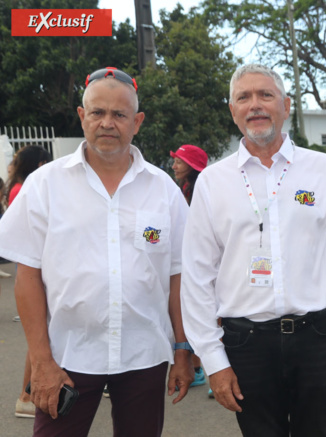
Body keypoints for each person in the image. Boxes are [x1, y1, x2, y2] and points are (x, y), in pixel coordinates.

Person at [0, 67, 194, 436]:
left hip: (144, 356)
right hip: (68, 356)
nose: (107, 123)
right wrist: (40, 360)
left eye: (119, 114)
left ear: (137, 121)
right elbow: (27, 278)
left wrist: (183, 348)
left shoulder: (164, 190)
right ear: (81, 116)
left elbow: (178, 276)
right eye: (97, 112)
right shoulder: (45, 185)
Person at [179, 64, 326, 436]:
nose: (255, 105)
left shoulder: (321, 169)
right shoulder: (213, 181)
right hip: (246, 343)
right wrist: (214, 360)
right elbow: (197, 274)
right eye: (243, 97)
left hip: (316, 336)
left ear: (286, 105)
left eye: (265, 95)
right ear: (232, 110)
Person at [3, 145, 53, 418]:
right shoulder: (27, 189)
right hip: (35, 268)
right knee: (40, 337)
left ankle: (27, 395)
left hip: (34, 266)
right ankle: (26, 395)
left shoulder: (19, 186)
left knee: (41, 335)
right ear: (40, 163)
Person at [169, 144, 210, 391]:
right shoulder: (183, 190)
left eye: (179, 162)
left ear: (193, 166)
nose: (174, 166)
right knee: (190, 314)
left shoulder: (203, 190)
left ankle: (211, 370)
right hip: (186, 261)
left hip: (203, 263)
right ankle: (197, 369)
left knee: (210, 318)